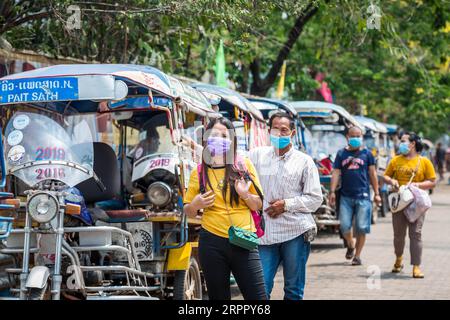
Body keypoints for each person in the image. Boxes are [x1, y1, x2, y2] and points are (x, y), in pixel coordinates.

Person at [183, 117, 267, 300]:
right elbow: (188, 211)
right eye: (214, 135)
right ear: (205, 138)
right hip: (211, 242)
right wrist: (195, 204)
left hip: (243, 240)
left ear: (232, 140)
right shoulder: (198, 172)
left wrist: (245, 195)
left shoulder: (243, 166)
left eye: (224, 135)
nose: (219, 139)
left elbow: (258, 204)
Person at [249, 112, 322, 300]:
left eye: (284, 130)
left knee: (293, 290)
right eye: (276, 129)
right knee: (259, 289)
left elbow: (315, 199)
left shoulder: (304, 161)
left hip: (295, 232)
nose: (280, 134)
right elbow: (234, 165)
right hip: (265, 235)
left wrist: (286, 205)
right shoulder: (257, 156)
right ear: (268, 130)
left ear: (293, 133)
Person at [383, 132, 436, 278]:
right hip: (399, 202)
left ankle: (416, 267)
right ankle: (398, 259)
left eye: (404, 141)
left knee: (416, 234)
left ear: (412, 144)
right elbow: (386, 175)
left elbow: (432, 181)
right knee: (398, 235)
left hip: (417, 203)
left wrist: (418, 184)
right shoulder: (395, 161)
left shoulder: (424, 161)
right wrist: (391, 181)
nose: (401, 143)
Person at [329, 126, 381, 265]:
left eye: (358, 135)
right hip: (346, 196)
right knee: (344, 226)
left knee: (362, 227)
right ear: (347, 137)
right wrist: (332, 191)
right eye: (353, 136)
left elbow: (373, 174)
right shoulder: (341, 154)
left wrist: (377, 193)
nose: (356, 138)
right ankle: (351, 245)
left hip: (363, 196)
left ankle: (357, 256)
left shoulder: (367, 154)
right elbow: (336, 173)